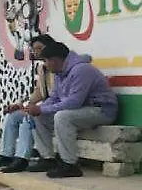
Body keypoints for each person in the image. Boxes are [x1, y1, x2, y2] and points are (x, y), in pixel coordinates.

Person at [26, 42, 118, 178]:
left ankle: (69, 165)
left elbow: (73, 102)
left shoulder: (81, 70)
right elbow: (55, 98)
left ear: (55, 60)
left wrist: (42, 109)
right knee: (39, 116)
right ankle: (47, 159)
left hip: (102, 110)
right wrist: (39, 109)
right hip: (82, 111)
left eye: (46, 61)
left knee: (62, 117)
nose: (45, 64)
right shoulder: (59, 73)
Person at [0, 35, 60, 172]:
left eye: (40, 48)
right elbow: (39, 92)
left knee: (28, 117)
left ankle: (22, 158)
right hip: (46, 108)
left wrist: (35, 108)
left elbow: (57, 97)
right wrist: (21, 104)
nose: (36, 52)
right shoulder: (42, 68)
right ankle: (5, 154)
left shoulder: (58, 68)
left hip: (56, 110)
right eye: (34, 49)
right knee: (12, 116)